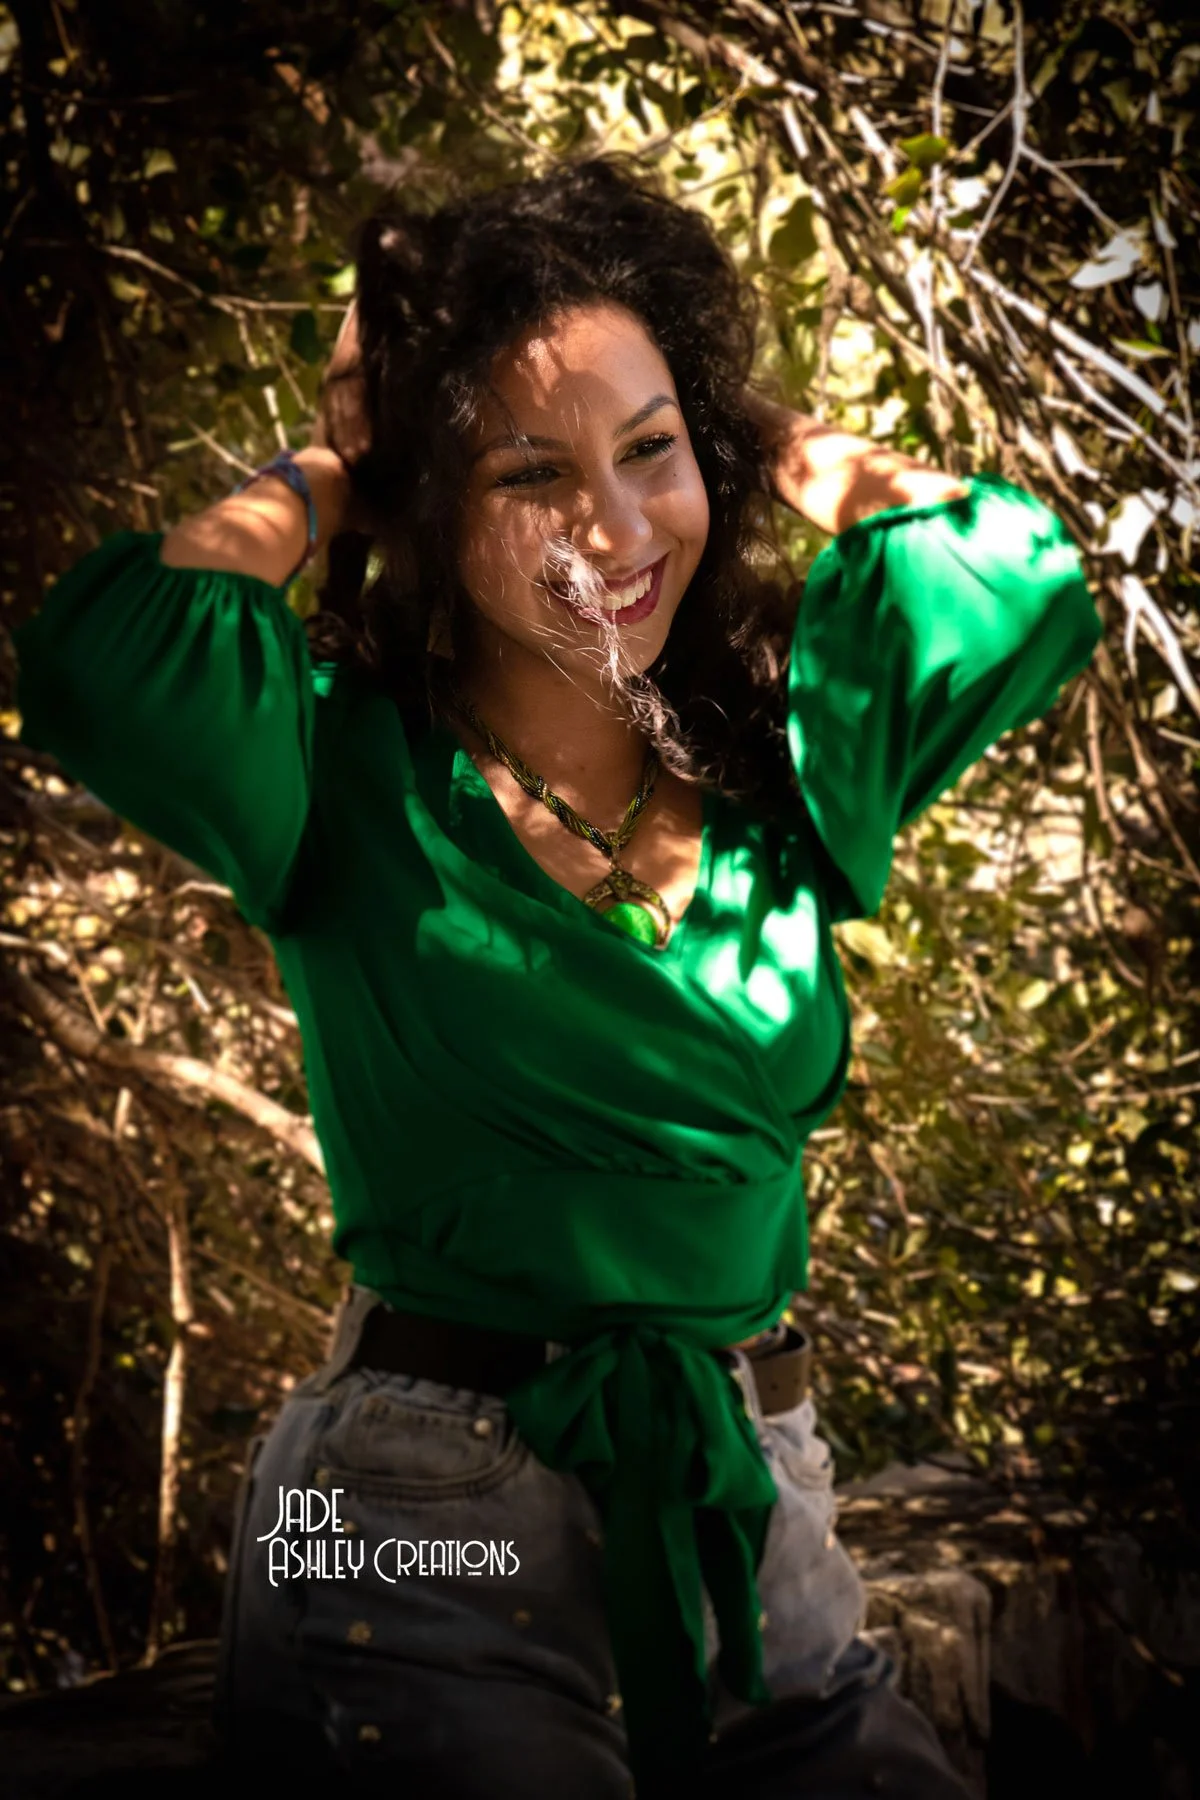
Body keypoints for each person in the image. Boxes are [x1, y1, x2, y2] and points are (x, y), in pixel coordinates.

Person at [13, 156, 1103, 1798]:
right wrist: (335, 468)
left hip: (758, 1506)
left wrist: (742, 431)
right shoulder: (334, 766)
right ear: (431, 512)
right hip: (402, 1517)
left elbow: (1013, 562)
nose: (615, 528)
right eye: (530, 475)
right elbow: (101, 661)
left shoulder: (786, 766)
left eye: (652, 454)